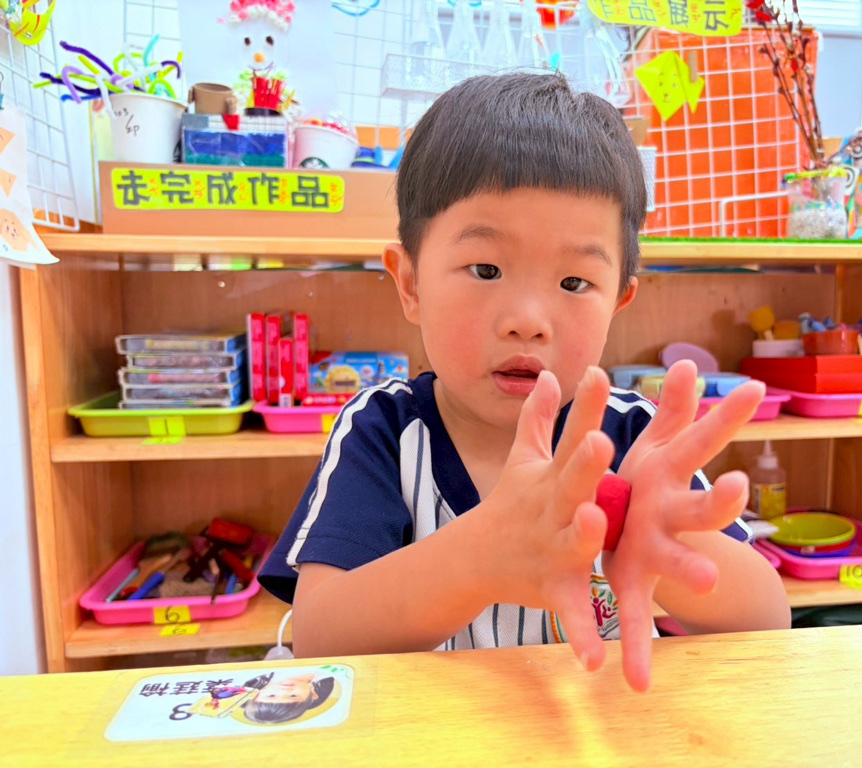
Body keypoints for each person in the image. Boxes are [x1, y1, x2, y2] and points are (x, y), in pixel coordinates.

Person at [259, 72, 790, 692]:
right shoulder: (384, 432)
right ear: (410, 284)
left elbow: (767, 624)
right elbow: (322, 641)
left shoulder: (632, 440)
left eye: (574, 283)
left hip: (589, 734)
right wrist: (481, 555)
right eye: (486, 269)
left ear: (618, 302)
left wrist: (662, 545)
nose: (528, 321)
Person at [240, 672, 336, 724]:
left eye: (272, 695)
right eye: (293, 696)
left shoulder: (263, 674)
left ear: (258, 693)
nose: (284, 691)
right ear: (313, 694)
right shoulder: (327, 672)